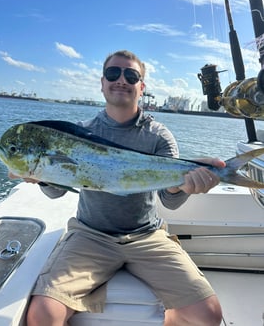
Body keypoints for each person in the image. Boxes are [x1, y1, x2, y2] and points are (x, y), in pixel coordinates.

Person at [12, 50, 225, 326]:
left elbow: (169, 202)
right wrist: (40, 174)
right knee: (42, 314)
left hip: (146, 236)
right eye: (113, 73)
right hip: (90, 235)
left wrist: (181, 186)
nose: (121, 80)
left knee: (208, 313)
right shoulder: (77, 134)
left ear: (142, 86)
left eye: (131, 75)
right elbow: (56, 191)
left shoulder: (159, 136)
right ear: (102, 83)